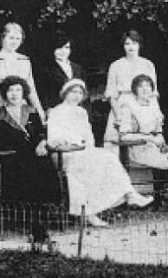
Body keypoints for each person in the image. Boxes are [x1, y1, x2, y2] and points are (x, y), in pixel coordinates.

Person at [48, 79, 153, 227]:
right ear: (65, 93)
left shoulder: (82, 112)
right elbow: (52, 139)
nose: (76, 96)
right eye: (73, 92)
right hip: (63, 155)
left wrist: (88, 147)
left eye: (80, 92)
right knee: (98, 162)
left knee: (107, 158)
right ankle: (95, 211)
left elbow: (88, 136)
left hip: (83, 153)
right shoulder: (57, 112)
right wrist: (66, 143)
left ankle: (127, 194)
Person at [0, 76, 60, 219]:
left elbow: (42, 133)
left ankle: (45, 215)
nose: (14, 94)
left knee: (44, 171)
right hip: (13, 156)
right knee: (24, 178)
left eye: (18, 90)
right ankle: (27, 218)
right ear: (4, 93)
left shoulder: (32, 111)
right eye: (10, 90)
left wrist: (43, 143)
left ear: (23, 93)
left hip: (36, 154)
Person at [119, 74, 168, 203]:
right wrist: (149, 138)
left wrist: (162, 144)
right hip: (139, 150)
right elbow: (124, 136)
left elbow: (158, 131)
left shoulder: (154, 106)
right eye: (140, 86)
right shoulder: (128, 107)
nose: (144, 89)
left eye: (148, 86)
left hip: (156, 148)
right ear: (134, 89)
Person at [0, 22, 46, 129]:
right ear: (3, 38)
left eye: (18, 39)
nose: (14, 42)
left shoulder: (24, 60)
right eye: (11, 38)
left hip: (21, 108)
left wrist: (39, 110)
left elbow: (31, 89)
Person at [102, 30, 157, 151]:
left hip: (143, 106)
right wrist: (118, 115)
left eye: (134, 43)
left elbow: (153, 93)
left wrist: (155, 113)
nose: (131, 47)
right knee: (117, 144)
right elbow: (112, 94)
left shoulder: (148, 65)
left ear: (139, 45)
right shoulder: (116, 65)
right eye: (127, 44)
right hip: (122, 105)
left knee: (145, 141)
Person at [37, 33, 87, 111]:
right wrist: (47, 110)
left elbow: (85, 94)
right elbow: (43, 94)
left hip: (78, 110)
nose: (63, 51)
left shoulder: (78, 68)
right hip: (57, 111)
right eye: (59, 48)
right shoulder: (46, 70)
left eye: (67, 47)